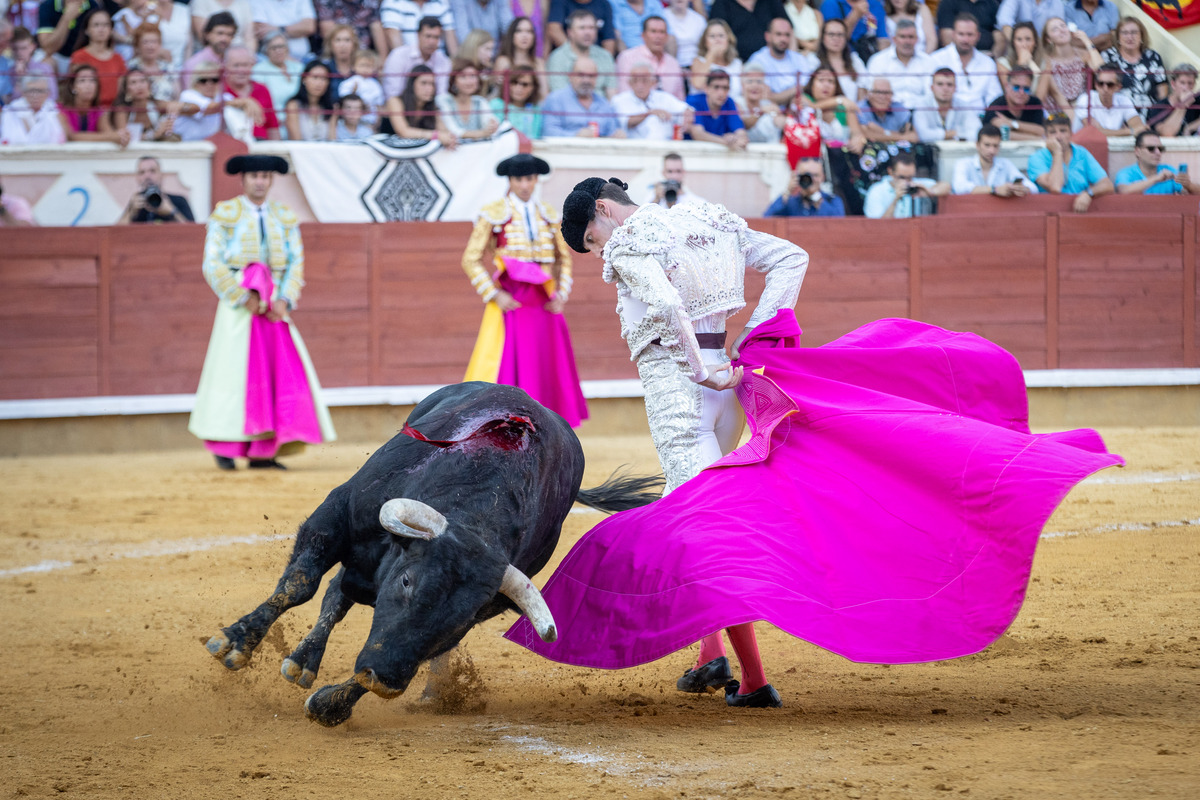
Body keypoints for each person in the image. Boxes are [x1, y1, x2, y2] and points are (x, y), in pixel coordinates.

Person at [558, 174, 809, 708]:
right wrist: (752, 335)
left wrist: (699, 370)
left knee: (700, 528)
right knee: (704, 516)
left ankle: (754, 679)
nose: (601, 252)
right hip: (728, 384)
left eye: (593, 241)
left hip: (683, 386)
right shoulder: (710, 217)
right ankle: (709, 655)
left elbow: (668, 305)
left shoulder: (629, 241)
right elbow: (793, 258)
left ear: (603, 210)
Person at [189, 154, 337, 471]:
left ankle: (263, 451)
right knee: (232, 375)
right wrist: (241, 297)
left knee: (274, 373)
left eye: (265, 176)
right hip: (238, 309)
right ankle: (224, 445)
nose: (260, 181)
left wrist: (284, 299)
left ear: (271, 181)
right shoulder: (226, 214)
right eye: (254, 175)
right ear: (243, 180)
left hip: (273, 308)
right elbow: (212, 263)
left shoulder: (284, 216)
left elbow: (296, 262)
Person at [461, 153, 587, 427]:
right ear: (510, 180)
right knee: (511, 361)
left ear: (536, 179)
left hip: (543, 301)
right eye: (519, 179)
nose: (525, 185)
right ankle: (510, 421)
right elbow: (470, 258)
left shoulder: (549, 214)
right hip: (513, 300)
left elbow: (563, 258)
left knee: (545, 363)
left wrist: (561, 294)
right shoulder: (493, 213)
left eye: (530, 178)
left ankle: (549, 424)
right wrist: (494, 294)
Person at [1026, 112, 1113, 211]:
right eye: (1052, 132)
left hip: (1079, 212)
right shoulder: (1037, 158)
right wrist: (1057, 153)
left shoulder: (1081, 153)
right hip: (1049, 212)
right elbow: (1055, 188)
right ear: (1046, 136)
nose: (1058, 137)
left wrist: (1088, 194)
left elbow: (1107, 184)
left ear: (1071, 134)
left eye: (1063, 131)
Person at [929, 13, 1002, 116]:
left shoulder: (988, 63)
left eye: (969, 35)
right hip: (945, 118)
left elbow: (994, 98)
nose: (965, 40)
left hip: (980, 120)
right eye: (961, 34)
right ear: (953, 35)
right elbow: (929, 94)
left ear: (978, 36)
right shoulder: (936, 59)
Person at [1100, 17, 1166, 120]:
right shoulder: (1108, 56)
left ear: (1141, 36)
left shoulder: (1153, 57)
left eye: (1134, 32)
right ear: (1118, 37)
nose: (1130, 37)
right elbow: (1102, 86)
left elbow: (1162, 90)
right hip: (1117, 114)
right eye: (1125, 33)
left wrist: (1161, 116)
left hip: (1149, 115)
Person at [542, 54, 623, 137]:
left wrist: (617, 135)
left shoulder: (604, 104)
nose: (586, 80)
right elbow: (548, 132)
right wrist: (575, 135)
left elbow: (613, 131)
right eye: (581, 75)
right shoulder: (555, 100)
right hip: (566, 149)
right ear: (570, 77)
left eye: (591, 76)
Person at [746, 16, 818, 108]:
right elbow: (765, 97)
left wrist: (782, 95)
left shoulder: (799, 59)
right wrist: (797, 89)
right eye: (778, 34)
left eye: (787, 35)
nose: (783, 39)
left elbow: (808, 88)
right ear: (767, 36)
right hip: (771, 114)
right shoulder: (757, 60)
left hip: (800, 109)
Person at [612, 61, 691, 139]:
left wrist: (686, 120)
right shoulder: (619, 100)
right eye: (635, 80)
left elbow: (686, 110)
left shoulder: (664, 97)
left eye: (644, 80)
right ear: (629, 83)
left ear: (653, 82)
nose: (640, 85)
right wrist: (650, 113)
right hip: (636, 148)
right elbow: (628, 122)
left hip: (666, 147)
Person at [546, 9, 617, 96]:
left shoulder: (605, 56)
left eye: (591, 28)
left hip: (601, 108)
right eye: (582, 28)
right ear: (570, 32)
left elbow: (612, 93)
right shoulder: (557, 58)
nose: (587, 33)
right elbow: (558, 95)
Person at [951, 123, 1038, 194]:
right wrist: (995, 189)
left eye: (995, 146)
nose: (992, 151)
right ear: (977, 145)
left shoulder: (1005, 164)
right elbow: (960, 188)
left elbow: (1033, 188)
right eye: (987, 145)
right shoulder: (963, 163)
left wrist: (1021, 189)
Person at [1037, 16, 1101, 110]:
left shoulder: (1083, 55)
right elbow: (1040, 97)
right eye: (1055, 29)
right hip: (1055, 113)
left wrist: (1086, 41)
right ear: (1049, 39)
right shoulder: (1047, 61)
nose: (1061, 30)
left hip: (1081, 109)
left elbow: (1102, 72)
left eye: (1063, 26)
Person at [863, 19, 930, 110]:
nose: (907, 41)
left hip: (920, 111)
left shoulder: (928, 61)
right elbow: (872, 92)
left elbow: (930, 94)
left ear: (917, 39)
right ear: (894, 39)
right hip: (888, 111)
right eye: (902, 37)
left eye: (911, 37)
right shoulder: (878, 60)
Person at [382, 15, 453, 99]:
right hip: (402, 106)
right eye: (428, 36)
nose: (432, 42)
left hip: (430, 107)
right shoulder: (398, 56)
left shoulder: (443, 60)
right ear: (418, 35)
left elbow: (441, 95)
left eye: (436, 37)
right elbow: (392, 95)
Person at [614, 15, 685, 100]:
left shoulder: (673, 63)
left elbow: (680, 99)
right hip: (636, 110)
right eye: (653, 31)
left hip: (669, 111)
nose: (658, 36)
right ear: (643, 35)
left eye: (662, 32)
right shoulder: (627, 58)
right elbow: (624, 95)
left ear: (667, 37)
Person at [383, 63, 457, 142]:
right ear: (412, 84)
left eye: (432, 84)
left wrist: (449, 138)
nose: (429, 88)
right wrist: (436, 135)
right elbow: (403, 132)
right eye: (423, 83)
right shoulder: (395, 101)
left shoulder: (432, 106)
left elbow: (443, 131)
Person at [67, 7, 125, 109]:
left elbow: (120, 93)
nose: (101, 29)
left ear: (111, 29)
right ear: (87, 30)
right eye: (96, 25)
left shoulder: (118, 58)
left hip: (112, 111)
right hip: (88, 111)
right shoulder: (79, 57)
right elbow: (74, 90)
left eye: (105, 25)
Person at [863, 151, 951, 217]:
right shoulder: (877, 191)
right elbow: (876, 227)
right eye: (902, 177)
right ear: (890, 172)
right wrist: (895, 199)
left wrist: (929, 191)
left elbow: (946, 186)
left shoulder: (916, 184)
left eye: (910, 177)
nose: (907, 182)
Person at [59, 63, 130, 144]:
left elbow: (109, 133)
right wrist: (114, 136)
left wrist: (121, 136)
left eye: (92, 80)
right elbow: (71, 136)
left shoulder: (99, 111)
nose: (88, 85)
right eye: (82, 80)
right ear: (72, 86)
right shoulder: (60, 110)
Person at [1072, 62, 1145, 136]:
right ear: (1095, 85)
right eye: (1101, 84)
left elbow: (1139, 127)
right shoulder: (1085, 99)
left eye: (1110, 85)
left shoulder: (1124, 100)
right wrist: (1129, 131)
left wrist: (1133, 130)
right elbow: (1095, 132)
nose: (1105, 89)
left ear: (1118, 87)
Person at [116, 155, 196, 224]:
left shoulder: (179, 200)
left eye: (152, 171)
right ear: (137, 178)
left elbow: (194, 233)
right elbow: (115, 234)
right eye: (142, 172)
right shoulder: (136, 203)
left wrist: (172, 212)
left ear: (161, 175)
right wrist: (131, 212)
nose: (147, 176)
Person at [436, 57, 500, 140]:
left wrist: (493, 125)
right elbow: (453, 131)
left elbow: (489, 122)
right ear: (454, 80)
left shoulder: (480, 101)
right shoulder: (443, 100)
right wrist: (482, 133)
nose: (469, 81)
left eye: (472, 76)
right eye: (463, 77)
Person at [1114, 130, 1196, 195]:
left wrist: (1188, 185)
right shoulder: (1126, 173)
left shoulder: (1168, 169)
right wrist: (1156, 178)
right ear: (1137, 151)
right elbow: (1123, 191)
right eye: (1151, 148)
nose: (1158, 152)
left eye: (1160, 149)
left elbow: (1192, 191)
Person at [913, 67, 980, 142]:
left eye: (949, 85)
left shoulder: (964, 105)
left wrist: (943, 135)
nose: (945, 88)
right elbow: (922, 135)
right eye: (940, 84)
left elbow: (977, 132)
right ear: (932, 88)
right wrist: (951, 134)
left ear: (955, 88)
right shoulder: (922, 105)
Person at [686, 68, 747, 150]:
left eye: (725, 88)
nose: (721, 93)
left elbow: (741, 133)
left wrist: (735, 139)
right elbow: (698, 134)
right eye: (716, 87)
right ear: (706, 88)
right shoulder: (694, 101)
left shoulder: (729, 102)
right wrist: (726, 141)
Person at [111, 67, 177, 142]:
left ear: (149, 85)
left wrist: (168, 123)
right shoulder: (122, 110)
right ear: (126, 90)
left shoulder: (157, 104)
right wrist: (153, 135)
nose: (139, 86)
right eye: (133, 82)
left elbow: (192, 107)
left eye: (142, 81)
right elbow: (123, 137)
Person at [710, 0, 789, 63]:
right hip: (736, 63)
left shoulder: (772, 2)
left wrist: (790, 59)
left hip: (771, 63)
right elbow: (714, 35)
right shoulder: (722, 3)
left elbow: (788, 30)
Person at [981, 64, 1046, 139]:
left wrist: (1011, 123)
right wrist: (1034, 137)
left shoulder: (1035, 103)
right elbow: (1002, 135)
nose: (1021, 92)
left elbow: (1041, 131)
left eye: (1026, 88)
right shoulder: (996, 106)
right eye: (1016, 87)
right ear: (1007, 87)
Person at [764, 157, 846, 216]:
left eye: (816, 175)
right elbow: (768, 218)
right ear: (798, 177)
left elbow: (837, 224)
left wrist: (817, 198)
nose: (812, 179)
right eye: (807, 175)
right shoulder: (790, 202)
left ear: (823, 178)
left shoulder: (833, 200)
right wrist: (787, 191)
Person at [494, 16, 550, 98]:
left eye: (529, 31)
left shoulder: (539, 63)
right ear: (512, 35)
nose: (525, 36)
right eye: (519, 31)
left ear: (534, 37)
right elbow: (497, 94)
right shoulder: (503, 61)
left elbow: (545, 95)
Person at [0, 74, 66, 144]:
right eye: (31, 91)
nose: (35, 95)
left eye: (40, 91)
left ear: (48, 93)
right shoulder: (8, 113)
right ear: (23, 92)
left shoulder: (56, 114)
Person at [253, 31, 304, 119]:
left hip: (299, 119)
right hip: (274, 119)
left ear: (287, 48)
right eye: (274, 48)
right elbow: (260, 101)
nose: (278, 51)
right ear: (266, 50)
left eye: (281, 46)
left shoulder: (298, 67)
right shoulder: (259, 70)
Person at [181, 11, 238, 90]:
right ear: (207, 34)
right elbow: (190, 94)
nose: (224, 39)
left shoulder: (234, 62)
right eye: (220, 33)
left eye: (229, 34)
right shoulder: (194, 63)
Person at [174, 61, 227, 141]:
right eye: (203, 80)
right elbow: (210, 108)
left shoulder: (225, 97)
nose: (209, 84)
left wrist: (248, 102)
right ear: (195, 82)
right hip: (187, 146)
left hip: (213, 147)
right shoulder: (188, 95)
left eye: (214, 80)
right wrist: (243, 102)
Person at [690, 19, 744, 98]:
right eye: (712, 36)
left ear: (728, 40)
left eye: (721, 36)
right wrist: (711, 55)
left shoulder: (737, 64)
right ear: (705, 42)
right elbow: (697, 84)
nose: (717, 40)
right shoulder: (698, 61)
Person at [819, 0, 888, 60]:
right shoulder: (831, 4)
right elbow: (835, 38)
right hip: (845, 57)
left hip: (871, 55)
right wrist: (856, 14)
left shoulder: (875, 4)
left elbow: (882, 39)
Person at [252, 0, 317, 64]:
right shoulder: (257, 1)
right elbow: (261, 31)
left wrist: (278, 29)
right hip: (270, 60)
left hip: (304, 58)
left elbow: (309, 27)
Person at [381, 0, 458, 53]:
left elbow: (451, 38)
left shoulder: (441, 2)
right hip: (407, 63)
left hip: (438, 61)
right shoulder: (393, 2)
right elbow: (393, 38)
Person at [490, 63, 544, 138]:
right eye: (514, 82)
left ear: (533, 87)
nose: (519, 88)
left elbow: (536, 137)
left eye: (525, 84)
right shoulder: (496, 105)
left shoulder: (536, 110)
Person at [285, 60, 334, 141]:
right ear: (304, 79)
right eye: (315, 77)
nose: (319, 83)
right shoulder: (293, 105)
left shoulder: (332, 107)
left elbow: (333, 140)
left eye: (324, 79)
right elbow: (296, 141)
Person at [857, 76, 917, 143]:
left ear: (892, 95)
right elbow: (866, 134)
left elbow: (913, 137)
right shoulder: (860, 108)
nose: (882, 97)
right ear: (869, 94)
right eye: (878, 92)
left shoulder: (898, 107)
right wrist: (902, 137)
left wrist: (882, 131)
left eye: (886, 93)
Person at [736, 63, 786, 143]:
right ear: (742, 85)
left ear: (764, 85)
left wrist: (779, 119)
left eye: (759, 82)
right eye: (750, 81)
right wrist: (760, 111)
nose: (755, 85)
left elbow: (782, 122)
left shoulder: (768, 103)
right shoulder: (737, 103)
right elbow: (743, 124)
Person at [315, 0, 387, 54]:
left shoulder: (369, 2)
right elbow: (327, 33)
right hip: (336, 54)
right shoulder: (326, 1)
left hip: (363, 55)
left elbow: (377, 29)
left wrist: (382, 62)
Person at [546, 0, 616, 55]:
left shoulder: (604, 4)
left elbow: (609, 40)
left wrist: (604, 60)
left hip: (596, 57)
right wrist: (575, 55)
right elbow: (553, 30)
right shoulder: (559, 2)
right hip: (565, 58)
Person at [1149, 63, 1200, 138]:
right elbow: (1167, 134)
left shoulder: (1196, 101)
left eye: (1190, 83)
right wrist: (1183, 105)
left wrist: (1190, 127)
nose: (1186, 88)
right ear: (1173, 84)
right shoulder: (1159, 107)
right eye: (1182, 83)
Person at [337, 48, 386, 125]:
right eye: (362, 65)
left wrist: (378, 120)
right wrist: (353, 92)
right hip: (350, 122)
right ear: (353, 66)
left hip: (370, 122)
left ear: (374, 68)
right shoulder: (349, 82)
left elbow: (379, 104)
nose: (365, 69)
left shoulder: (376, 85)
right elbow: (343, 100)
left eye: (369, 66)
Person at [935, 0, 1001, 53]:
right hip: (958, 55)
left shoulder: (992, 3)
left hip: (988, 55)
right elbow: (946, 37)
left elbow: (999, 37)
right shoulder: (948, 2)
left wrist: (993, 55)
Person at [190, 0, 256, 52]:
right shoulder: (200, 2)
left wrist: (248, 56)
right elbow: (204, 37)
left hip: (240, 54)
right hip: (212, 53)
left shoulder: (243, 3)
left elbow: (250, 38)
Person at [664, 0, 707, 68]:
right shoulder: (662, 16)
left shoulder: (699, 19)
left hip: (696, 65)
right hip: (670, 65)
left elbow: (704, 47)